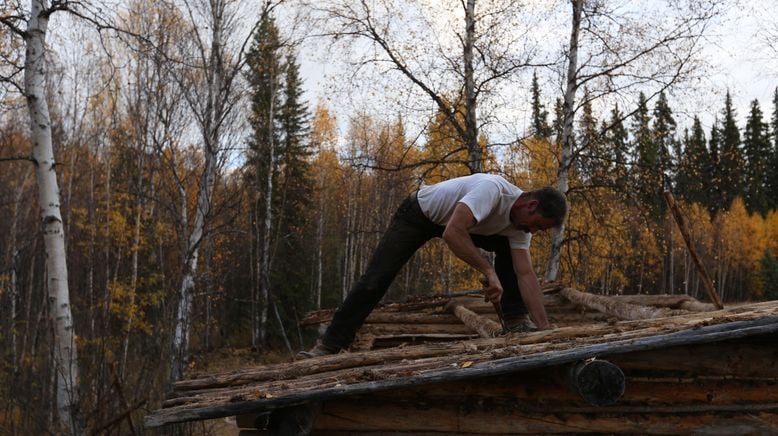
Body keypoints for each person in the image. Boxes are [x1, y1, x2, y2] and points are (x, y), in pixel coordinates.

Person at [299, 173, 567, 358]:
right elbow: (453, 233)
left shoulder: (522, 228)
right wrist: (488, 271)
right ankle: (331, 344)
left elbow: (526, 275)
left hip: (460, 224)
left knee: (513, 251)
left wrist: (543, 328)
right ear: (530, 205)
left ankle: (517, 320)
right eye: (537, 225)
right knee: (376, 278)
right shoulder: (493, 190)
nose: (534, 232)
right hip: (420, 215)